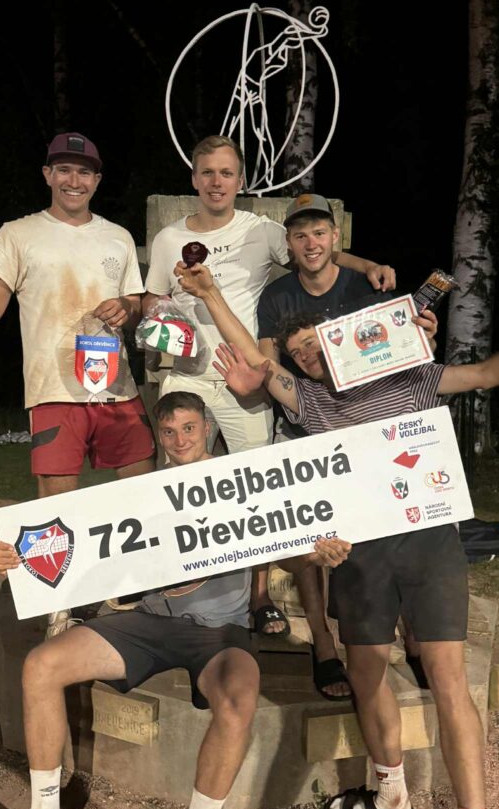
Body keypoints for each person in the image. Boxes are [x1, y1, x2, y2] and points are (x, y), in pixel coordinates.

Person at [175, 259, 499, 809]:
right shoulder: (313, 404)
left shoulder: (413, 377)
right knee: (367, 673)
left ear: (341, 340)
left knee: (449, 681)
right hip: (358, 554)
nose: (310, 357)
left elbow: (489, 373)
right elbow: (255, 358)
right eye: (299, 354)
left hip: (430, 541)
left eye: (317, 344)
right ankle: (391, 793)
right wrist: (210, 293)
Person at [0, 390, 349, 809]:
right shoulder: (142, 491)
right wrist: (18, 557)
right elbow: (80, 549)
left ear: (208, 428)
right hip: (148, 623)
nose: (179, 440)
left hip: (219, 633)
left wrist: (314, 556)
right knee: (42, 665)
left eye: (189, 428)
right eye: (169, 431)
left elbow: (286, 554)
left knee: (238, 703)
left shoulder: (240, 483)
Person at [144, 135, 395, 635]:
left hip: (247, 376)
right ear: (194, 178)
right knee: (177, 486)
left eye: (226, 173)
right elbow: (152, 300)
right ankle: (174, 587)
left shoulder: (261, 231)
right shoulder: (169, 238)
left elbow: (316, 255)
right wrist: (161, 318)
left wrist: (369, 266)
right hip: (186, 373)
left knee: (255, 489)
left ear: (240, 181)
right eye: (207, 173)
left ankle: (257, 598)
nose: (217, 182)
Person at [257, 193, 439, 699]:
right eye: (300, 235)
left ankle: (413, 637)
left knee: (393, 526)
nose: (311, 243)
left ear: (335, 237)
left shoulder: (367, 285)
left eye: (319, 232)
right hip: (304, 422)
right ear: (289, 243)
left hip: (366, 427)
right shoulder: (276, 297)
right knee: (310, 536)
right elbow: (266, 362)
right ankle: (323, 645)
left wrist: (427, 336)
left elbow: (399, 349)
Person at [0, 132, 156, 502]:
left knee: (145, 496)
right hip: (52, 391)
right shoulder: (16, 234)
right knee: (56, 509)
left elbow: (134, 305)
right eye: (64, 170)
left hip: (116, 387)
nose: (74, 181)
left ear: (97, 180)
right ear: (47, 174)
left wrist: (126, 308)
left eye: (84, 172)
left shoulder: (119, 237)